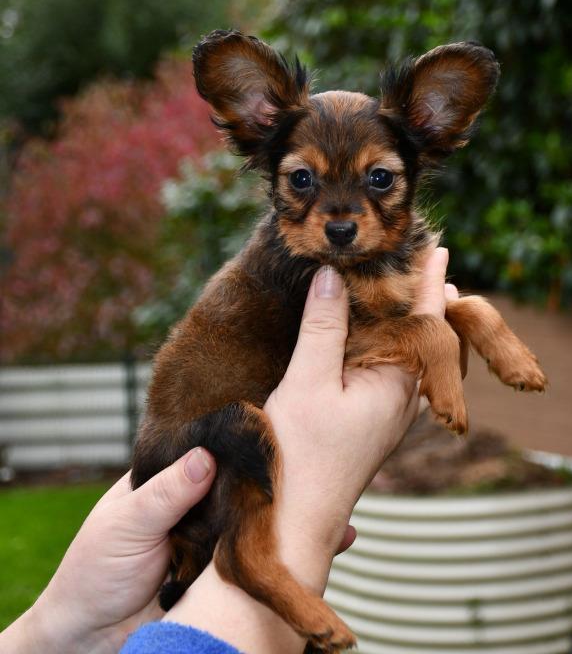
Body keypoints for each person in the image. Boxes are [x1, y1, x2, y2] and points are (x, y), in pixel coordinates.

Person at [0, 246, 456, 654]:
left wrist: (58, 624)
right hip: (222, 450)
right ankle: (257, 568)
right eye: (301, 180)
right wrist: (309, 519)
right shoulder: (291, 271)